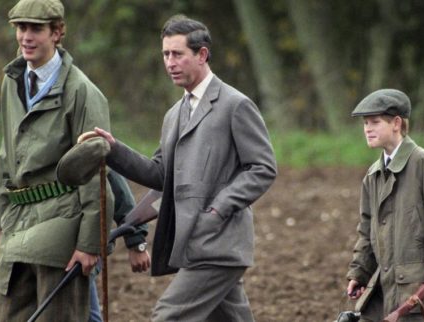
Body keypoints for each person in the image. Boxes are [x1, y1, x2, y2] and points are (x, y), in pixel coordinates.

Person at [79, 14, 277, 322]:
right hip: (189, 243)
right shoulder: (174, 114)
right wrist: (113, 150)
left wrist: (217, 210)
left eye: (177, 54)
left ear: (202, 55)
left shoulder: (234, 105)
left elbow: (262, 168)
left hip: (218, 244)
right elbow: (159, 174)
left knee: (167, 316)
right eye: (165, 54)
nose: (170, 62)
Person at [0, 0, 118, 320]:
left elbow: (94, 171)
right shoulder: (11, 83)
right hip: (16, 226)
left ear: (57, 32)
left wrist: (89, 244)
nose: (26, 36)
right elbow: (6, 156)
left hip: (61, 229)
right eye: (20, 28)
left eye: (36, 29)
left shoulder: (82, 91)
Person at [344, 89, 424, 321]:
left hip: (417, 294)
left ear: (396, 123)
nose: (367, 129)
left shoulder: (423, 163)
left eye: (375, 122)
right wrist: (360, 272)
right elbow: (366, 229)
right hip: (381, 294)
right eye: (365, 123)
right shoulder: (373, 175)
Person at [88, 171, 151, 322]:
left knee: (84, 311)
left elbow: (114, 183)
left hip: (76, 245)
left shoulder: (81, 146)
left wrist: (136, 242)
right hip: (28, 243)